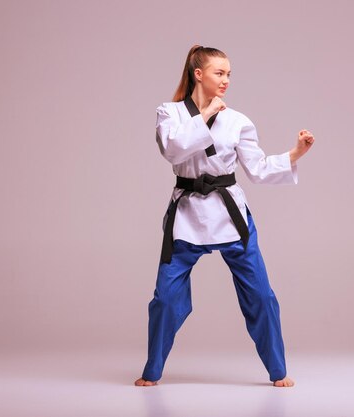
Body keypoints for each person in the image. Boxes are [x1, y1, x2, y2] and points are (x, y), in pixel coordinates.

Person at [134, 44, 314, 388]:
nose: (226, 80)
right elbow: (172, 149)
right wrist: (205, 115)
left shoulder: (237, 120)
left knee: (262, 296)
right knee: (165, 300)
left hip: (230, 215)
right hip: (187, 215)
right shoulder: (169, 112)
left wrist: (295, 153)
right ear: (197, 74)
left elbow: (258, 169)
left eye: (229, 74)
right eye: (219, 73)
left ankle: (277, 370)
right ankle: (152, 370)